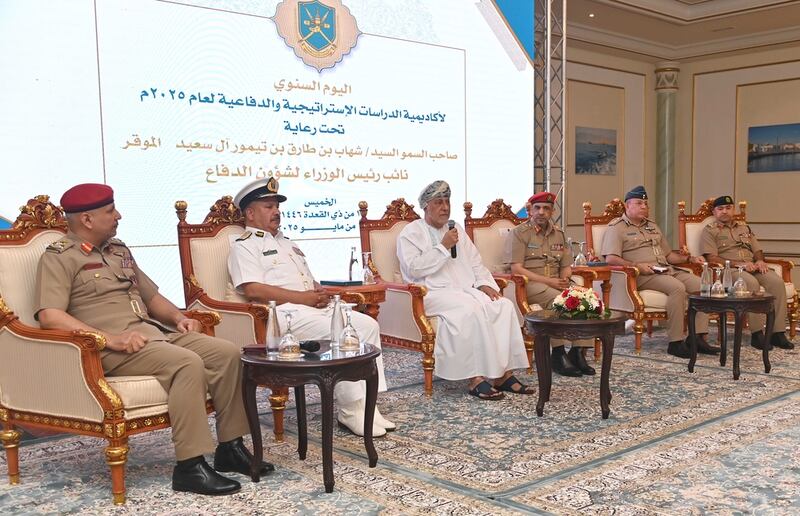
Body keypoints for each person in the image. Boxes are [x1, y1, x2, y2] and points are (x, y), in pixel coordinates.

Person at [35, 183, 269, 497]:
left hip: (151, 335)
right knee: (187, 363)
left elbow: (151, 297)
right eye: (110, 211)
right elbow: (50, 316)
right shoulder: (60, 257)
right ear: (87, 220)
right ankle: (190, 466)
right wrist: (110, 339)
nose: (118, 215)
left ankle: (230, 447)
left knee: (226, 353)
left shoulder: (118, 250)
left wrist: (178, 318)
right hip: (108, 348)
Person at [227, 178, 395, 437]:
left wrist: (319, 292)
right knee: (343, 331)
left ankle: (367, 405)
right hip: (284, 316)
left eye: (277, 206)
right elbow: (252, 289)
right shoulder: (244, 246)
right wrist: (303, 299)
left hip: (311, 309)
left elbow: (306, 280)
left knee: (368, 325)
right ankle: (350, 410)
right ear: (250, 213)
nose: (276, 212)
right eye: (269, 207)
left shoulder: (287, 242)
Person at [396, 180, 532, 400]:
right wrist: (443, 247)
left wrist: (485, 283)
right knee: (470, 310)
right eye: (439, 202)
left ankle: (503, 376)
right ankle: (475, 379)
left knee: (503, 306)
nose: (445, 207)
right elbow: (414, 269)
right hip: (431, 293)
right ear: (426, 207)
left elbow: (475, 261)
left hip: (465, 290)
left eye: (447, 202)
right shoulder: (410, 233)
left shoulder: (455, 228)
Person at [600, 185, 719, 358]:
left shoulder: (652, 226)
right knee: (677, 288)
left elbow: (668, 255)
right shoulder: (617, 228)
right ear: (627, 206)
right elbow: (611, 258)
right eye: (639, 203)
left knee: (702, 285)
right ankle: (675, 342)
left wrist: (690, 259)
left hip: (665, 269)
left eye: (646, 204)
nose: (644, 207)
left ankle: (697, 337)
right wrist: (637, 265)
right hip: (640, 275)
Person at [510, 191, 595, 376]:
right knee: (560, 300)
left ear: (552, 211)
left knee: (586, 297)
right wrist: (550, 282)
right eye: (537, 208)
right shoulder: (519, 233)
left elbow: (565, 265)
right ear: (530, 210)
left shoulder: (559, 234)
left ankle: (577, 352)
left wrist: (564, 279)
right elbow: (516, 269)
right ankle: (558, 354)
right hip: (530, 283)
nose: (541, 212)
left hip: (556, 281)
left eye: (546, 208)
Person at [700, 195, 794, 350]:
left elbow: (757, 250)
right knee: (750, 283)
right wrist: (739, 264)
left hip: (753, 266)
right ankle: (757, 334)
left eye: (728, 208)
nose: (725, 211)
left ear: (733, 210)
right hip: (730, 270)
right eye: (720, 209)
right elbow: (711, 258)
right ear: (714, 212)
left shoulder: (744, 228)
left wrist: (760, 261)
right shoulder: (709, 231)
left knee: (777, 282)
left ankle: (777, 333)